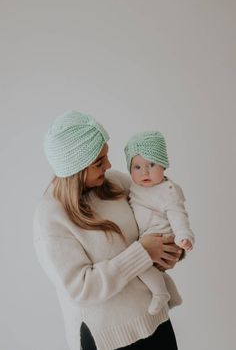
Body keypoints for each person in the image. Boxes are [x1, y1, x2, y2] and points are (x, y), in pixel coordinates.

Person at [33, 111, 183, 350]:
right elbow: (82, 287)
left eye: (106, 156)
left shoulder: (116, 183)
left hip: (156, 322)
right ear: (76, 169)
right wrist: (143, 253)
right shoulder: (50, 218)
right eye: (98, 162)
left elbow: (158, 212)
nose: (109, 165)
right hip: (109, 340)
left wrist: (170, 249)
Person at [124, 131, 195, 315]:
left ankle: (160, 293)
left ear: (164, 165)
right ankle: (173, 295)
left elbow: (178, 214)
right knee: (155, 270)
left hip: (161, 235)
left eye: (151, 164)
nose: (144, 172)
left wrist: (183, 235)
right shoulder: (133, 186)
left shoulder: (167, 191)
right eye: (137, 167)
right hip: (146, 236)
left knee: (139, 265)